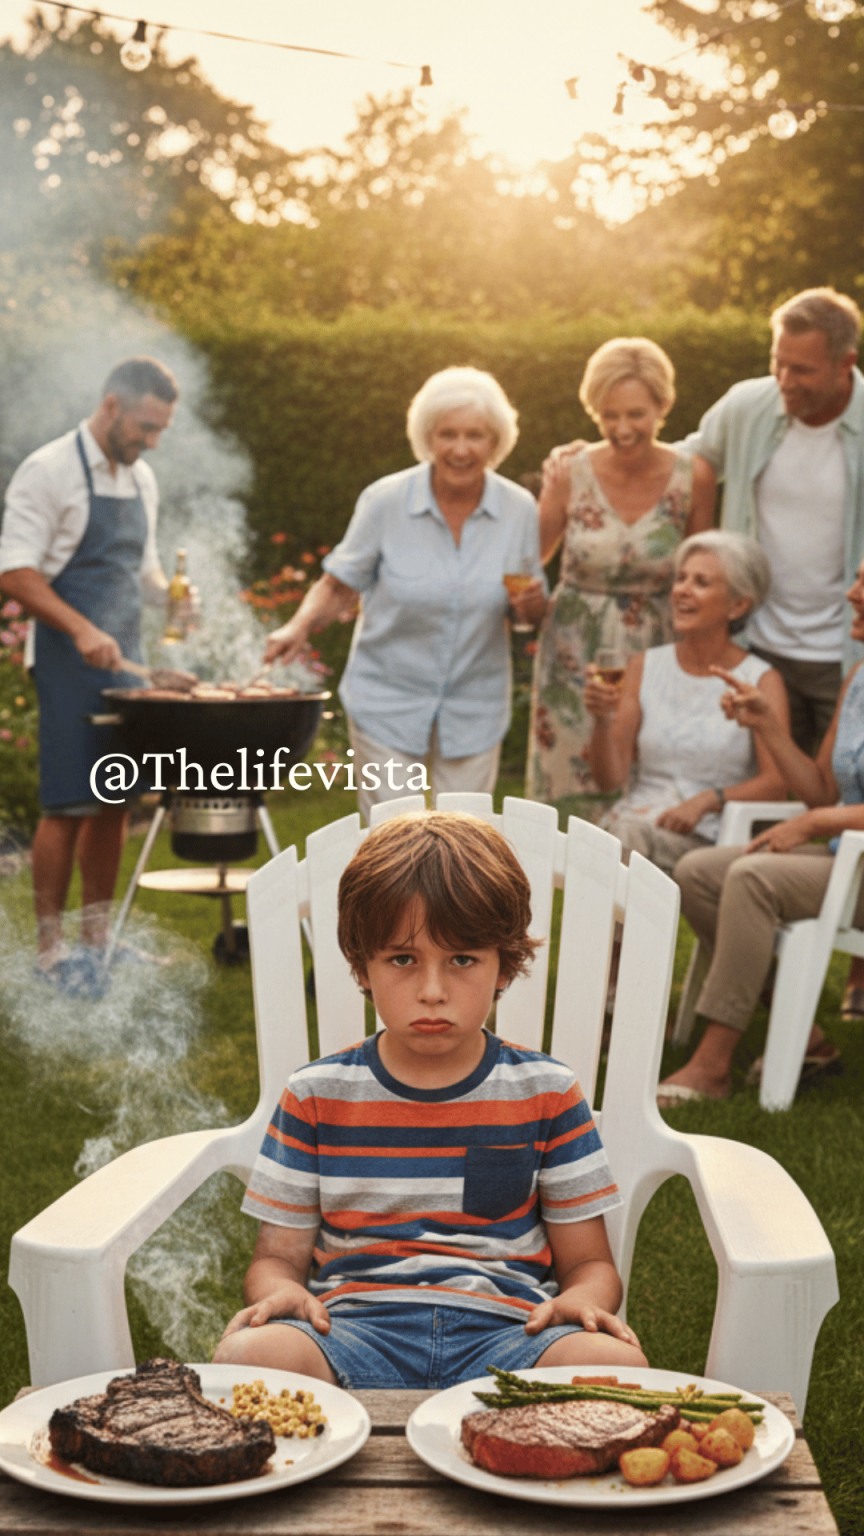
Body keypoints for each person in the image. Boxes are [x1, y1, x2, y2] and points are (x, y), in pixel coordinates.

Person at [215, 811, 646, 1388]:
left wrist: (583, 1301)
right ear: (361, 967)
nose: (433, 991)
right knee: (250, 1355)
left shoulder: (547, 1092)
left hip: (510, 1336)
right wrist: (282, 1293)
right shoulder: (315, 1095)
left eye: (462, 960)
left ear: (504, 966)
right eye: (402, 960)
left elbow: (589, 1263)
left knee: (616, 1367)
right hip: (352, 1334)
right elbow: (276, 1258)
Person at [263, 367, 545, 823]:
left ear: (495, 442)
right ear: (427, 438)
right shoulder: (386, 501)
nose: (460, 449)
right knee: (394, 841)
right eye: (447, 434)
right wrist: (298, 626)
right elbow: (338, 582)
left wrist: (529, 607)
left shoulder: (518, 509)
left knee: (466, 843)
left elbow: (530, 608)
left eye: (475, 435)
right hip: (387, 701)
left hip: (475, 705)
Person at [657, 555, 864, 1108]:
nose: (852, 593)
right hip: (846, 861)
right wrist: (766, 724)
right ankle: (808, 1038)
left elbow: (820, 811)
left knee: (752, 878)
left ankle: (714, 1063)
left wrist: (818, 823)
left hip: (855, 870)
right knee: (698, 872)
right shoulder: (856, 678)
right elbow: (821, 788)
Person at [0, 356, 178, 992]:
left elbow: (144, 569)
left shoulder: (141, 479)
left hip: (122, 657)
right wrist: (80, 628)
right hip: (65, 659)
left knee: (115, 801)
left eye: (161, 429)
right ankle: (51, 951)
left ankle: (99, 939)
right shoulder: (47, 471)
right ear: (111, 406)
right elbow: (16, 571)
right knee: (68, 801)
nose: (152, 440)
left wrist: (172, 598)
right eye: (146, 426)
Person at [526, 337, 716, 815]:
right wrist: (526, 598)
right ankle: (552, 884)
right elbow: (530, 556)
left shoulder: (693, 477)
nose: (622, 428)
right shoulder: (571, 471)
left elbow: (702, 566)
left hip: (657, 645)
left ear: (661, 406)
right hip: (572, 649)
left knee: (644, 779)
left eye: (636, 414)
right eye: (609, 416)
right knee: (567, 779)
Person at [685, 287, 864, 755]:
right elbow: (684, 464)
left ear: (846, 362)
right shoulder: (748, 406)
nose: (784, 379)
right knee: (754, 792)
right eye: (777, 363)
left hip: (845, 657)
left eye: (802, 369)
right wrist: (593, 456)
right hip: (755, 645)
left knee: (842, 793)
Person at [584, 531, 789, 875]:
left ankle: (606, 930)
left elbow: (776, 783)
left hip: (707, 839)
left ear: (738, 605)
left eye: (701, 582)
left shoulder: (761, 679)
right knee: (626, 835)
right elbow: (608, 779)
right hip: (634, 827)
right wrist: (602, 720)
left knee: (622, 844)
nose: (682, 590)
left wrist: (710, 800)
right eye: (681, 578)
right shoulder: (643, 667)